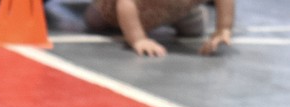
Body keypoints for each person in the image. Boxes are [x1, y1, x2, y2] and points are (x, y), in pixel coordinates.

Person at [83, 0, 234, 57]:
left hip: (178, 11)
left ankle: (185, 14)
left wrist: (223, 28)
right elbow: (125, 2)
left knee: (194, 29)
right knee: (95, 19)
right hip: (121, 12)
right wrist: (138, 39)